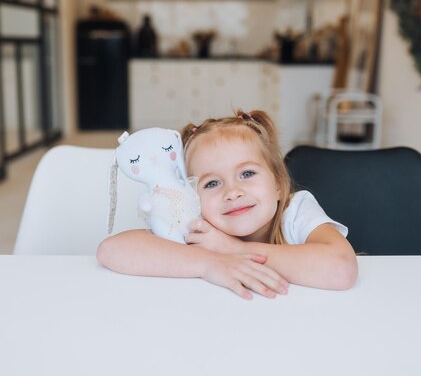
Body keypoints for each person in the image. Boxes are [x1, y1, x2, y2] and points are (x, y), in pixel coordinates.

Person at [97, 110, 357, 299]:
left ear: (278, 183)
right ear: (192, 195)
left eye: (247, 174)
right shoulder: (197, 221)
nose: (233, 193)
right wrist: (209, 264)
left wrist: (230, 248)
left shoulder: (295, 210)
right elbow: (111, 251)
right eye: (211, 183)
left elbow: (341, 269)